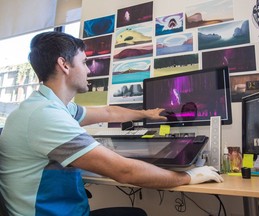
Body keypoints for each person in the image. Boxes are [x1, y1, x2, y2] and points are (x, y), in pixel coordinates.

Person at [0, 31, 223, 216]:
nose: (88, 70)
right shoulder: (44, 115)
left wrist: (148, 113)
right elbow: (124, 171)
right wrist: (189, 177)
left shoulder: (53, 106)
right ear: (64, 65)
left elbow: (108, 112)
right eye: (85, 62)